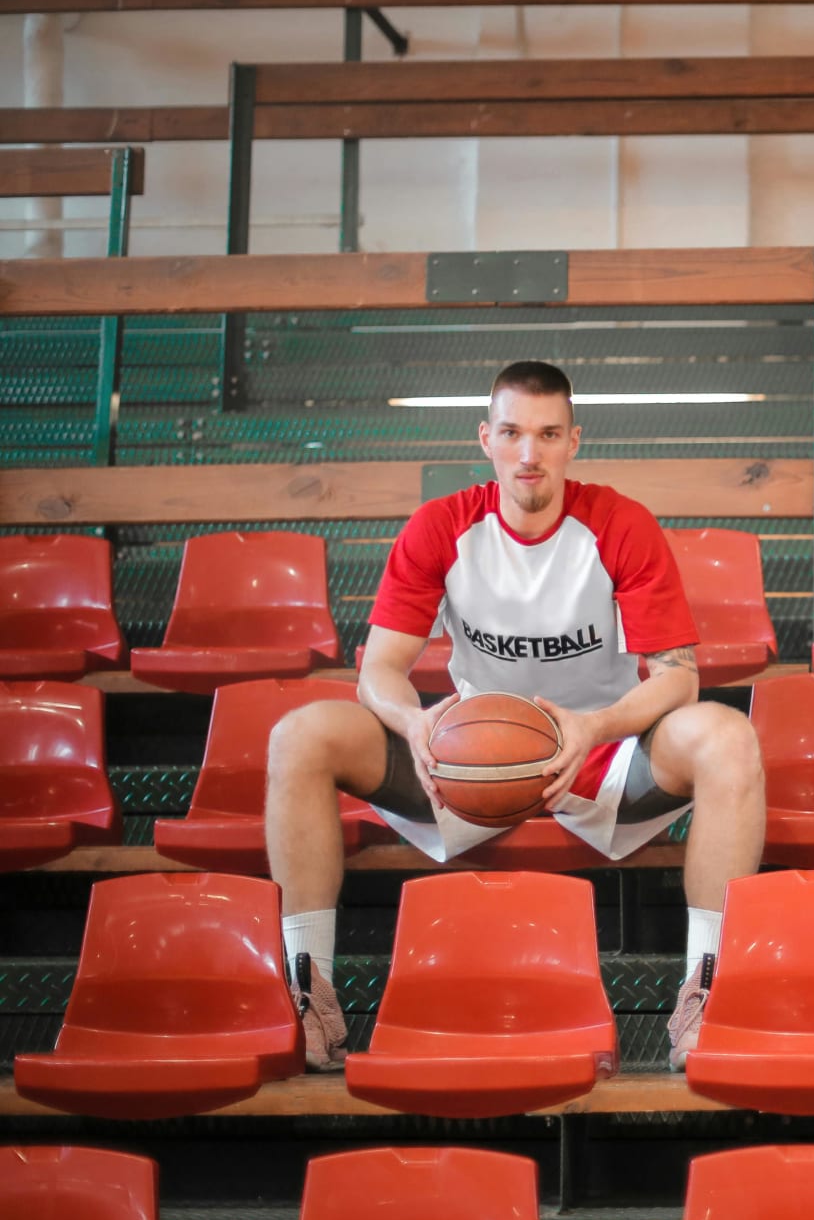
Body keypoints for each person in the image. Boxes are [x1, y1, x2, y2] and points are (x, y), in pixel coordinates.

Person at [264, 360, 765, 1072]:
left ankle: (710, 992)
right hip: (469, 763)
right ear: (486, 438)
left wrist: (594, 727)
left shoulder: (619, 524)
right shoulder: (442, 527)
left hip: (598, 755)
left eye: (548, 434)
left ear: (573, 442)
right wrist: (415, 725)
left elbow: (678, 679)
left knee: (728, 735)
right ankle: (304, 991)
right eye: (512, 433)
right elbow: (378, 670)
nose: (529, 453)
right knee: (300, 735)